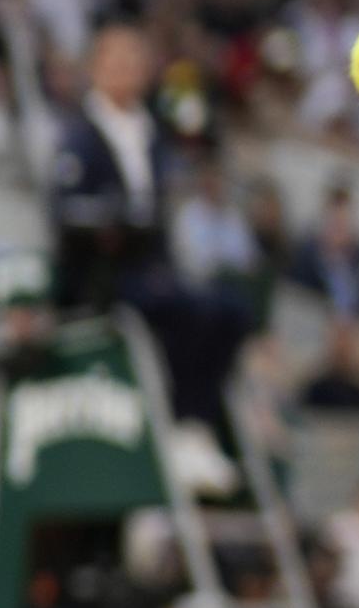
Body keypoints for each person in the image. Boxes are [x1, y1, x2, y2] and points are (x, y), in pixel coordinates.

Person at [45, 21, 244, 432]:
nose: (126, 70)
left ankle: (198, 420)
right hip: (101, 274)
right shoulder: (78, 133)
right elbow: (67, 210)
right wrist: (116, 220)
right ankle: (181, 420)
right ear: (96, 67)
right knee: (182, 313)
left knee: (230, 312)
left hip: (152, 267)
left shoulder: (152, 132)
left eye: (134, 60)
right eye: (116, 60)